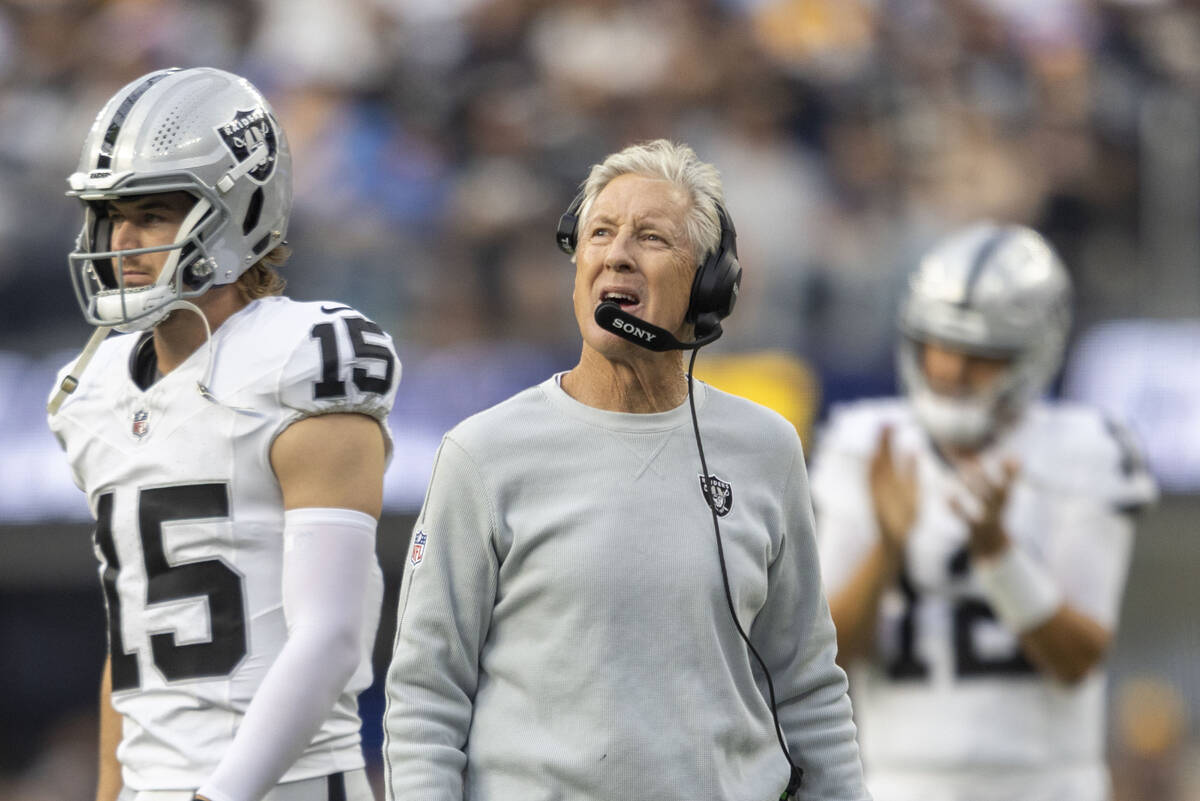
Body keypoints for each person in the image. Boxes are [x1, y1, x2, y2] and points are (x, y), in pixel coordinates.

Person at [382, 139, 869, 801]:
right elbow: (424, 696)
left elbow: (808, 687)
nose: (617, 253)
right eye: (600, 233)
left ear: (708, 281)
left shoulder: (767, 448)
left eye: (650, 237)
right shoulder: (482, 452)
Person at [46, 67, 400, 801]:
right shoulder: (96, 388)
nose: (124, 239)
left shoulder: (302, 356)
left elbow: (331, 637)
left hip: (292, 785)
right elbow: (135, 634)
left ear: (236, 212)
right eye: (112, 214)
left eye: (154, 213)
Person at [810, 223, 1158, 801]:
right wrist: (888, 550)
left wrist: (997, 553)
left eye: (980, 354)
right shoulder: (868, 444)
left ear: (1034, 353)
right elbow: (823, 658)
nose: (949, 369)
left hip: (1045, 784)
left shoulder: (1085, 448)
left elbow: (1077, 658)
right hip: (893, 782)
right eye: (938, 344)